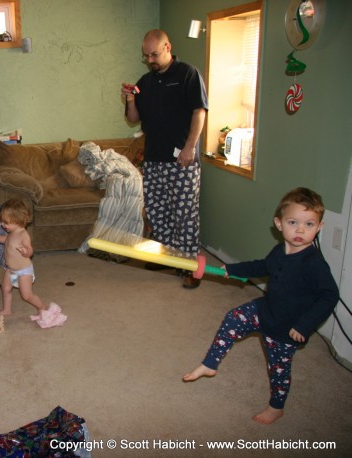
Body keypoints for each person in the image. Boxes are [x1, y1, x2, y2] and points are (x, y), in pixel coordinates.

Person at [182, 188, 339, 425]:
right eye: (293, 222)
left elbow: (329, 295)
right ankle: (210, 364)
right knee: (233, 318)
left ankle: (276, 407)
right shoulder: (280, 250)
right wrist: (231, 270)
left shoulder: (314, 263)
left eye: (309, 224)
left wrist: (305, 325)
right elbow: (262, 266)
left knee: (278, 370)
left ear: (319, 227)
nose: (300, 230)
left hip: (286, 329)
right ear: (279, 223)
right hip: (265, 309)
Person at [122, 29, 208, 289]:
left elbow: (199, 112)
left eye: (154, 54)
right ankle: (168, 257)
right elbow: (133, 118)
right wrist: (129, 99)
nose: (150, 60)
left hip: (182, 159)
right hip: (154, 158)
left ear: (168, 47)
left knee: (184, 214)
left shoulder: (187, 74)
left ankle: (189, 266)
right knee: (158, 213)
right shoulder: (145, 82)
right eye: (146, 56)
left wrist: (189, 147)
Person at [0, 199, 67, 328]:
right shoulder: (11, 233)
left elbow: (30, 251)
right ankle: (7, 309)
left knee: (26, 295)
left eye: (6, 222)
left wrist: (26, 252)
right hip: (10, 269)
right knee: (5, 288)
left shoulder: (23, 235)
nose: (2, 224)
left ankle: (42, 307)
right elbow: (7, 240)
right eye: (1, 221)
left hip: (24, 271)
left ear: (18, 220)